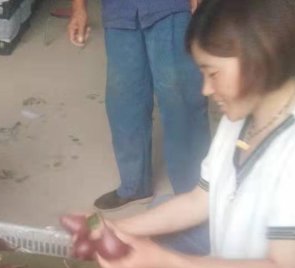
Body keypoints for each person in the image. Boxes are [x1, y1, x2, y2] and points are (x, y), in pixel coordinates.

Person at [95, 0, 295, 268]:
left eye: (213, 74)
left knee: (159, 253)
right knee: (160, 210)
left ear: (257, 58)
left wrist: (172, 263)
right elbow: (200, 200)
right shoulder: (240, 117)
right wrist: (119, 229)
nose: (206, 90)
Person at [68, 0, 211, 226]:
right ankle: (134, 186)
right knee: (124, 100)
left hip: (170, 8)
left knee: (180, 98)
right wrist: (79, 8)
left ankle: (195, 192)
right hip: (119, 12)